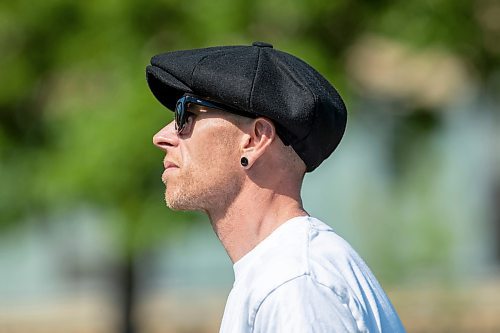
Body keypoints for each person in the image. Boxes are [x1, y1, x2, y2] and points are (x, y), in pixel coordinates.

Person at [146, 41, 405, 333]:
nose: (162, 136)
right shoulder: (281, 274)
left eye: (186, 113)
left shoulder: (294, 285)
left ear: (255, 139)